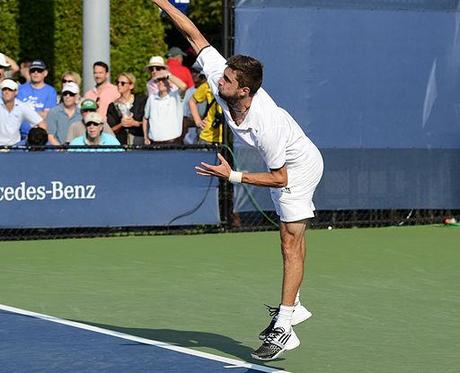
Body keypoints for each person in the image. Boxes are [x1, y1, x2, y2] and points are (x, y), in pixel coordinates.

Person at [151, 0, 324, 361]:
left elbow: (280, 178)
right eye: (224, 74)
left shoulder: (266, 123)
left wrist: (233, 176)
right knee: (292, 238)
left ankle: (285, 326)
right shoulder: (222, 77)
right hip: (286, 166)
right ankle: (294, 305)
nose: (219, 80)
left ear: (244, 90)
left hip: (299, 167)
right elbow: (194, 36)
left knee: (289, 241)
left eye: (228, 79)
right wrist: (164, 3)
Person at [143, 68, 187, 145]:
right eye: (158, 80)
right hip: (154, 142)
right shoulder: (151, 98)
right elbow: (145, 118)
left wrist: (168, 76)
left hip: (172, 142)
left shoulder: (175, 95)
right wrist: (146, 137)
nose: (160, 82)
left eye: (163, 79)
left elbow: (183, 86)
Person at [17, 59, 57, 138]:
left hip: (41, 135)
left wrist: (26, 114)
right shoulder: (20, 89)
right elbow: (17, 113)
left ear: (45, 73)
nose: (35, 73)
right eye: (33, 70)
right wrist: (38, 113)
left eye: (39, 70)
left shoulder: (50, 91)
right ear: (29, 72)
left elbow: (47, 114)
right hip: (22, 135)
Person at [0, 79, 45, 146]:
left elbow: (42, 124)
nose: (6, 92)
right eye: (4, 89)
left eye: (10, 90)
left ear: (16, 92)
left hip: (15, 147)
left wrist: (34, 140)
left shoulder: (22, 106)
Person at [106, 72, 147, 145]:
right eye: (117, 82)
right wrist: (121, 124)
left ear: (131, 86)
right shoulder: (112, 106)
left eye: (122, 83)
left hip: (139, 141)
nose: (119, 85)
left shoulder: (142, 101)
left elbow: (150, 122)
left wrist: (135, 123)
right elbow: (110, 130)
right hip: (120, 143)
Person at [189, 78, 224, 144]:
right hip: (209, 137)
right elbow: (192, 101)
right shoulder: (208, 85)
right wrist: (198, 121)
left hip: (231, 137)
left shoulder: (235, 85)